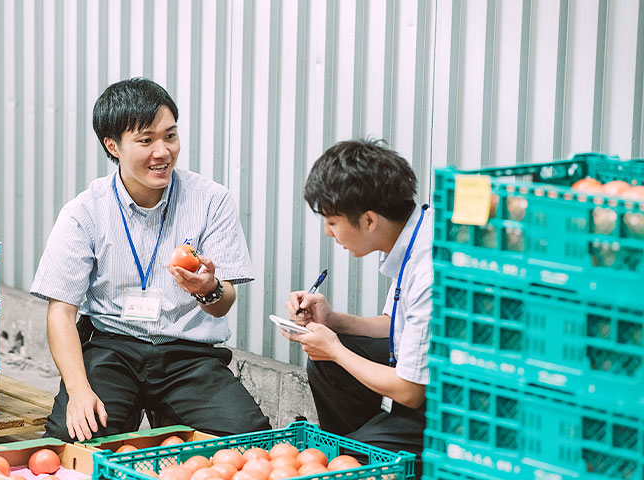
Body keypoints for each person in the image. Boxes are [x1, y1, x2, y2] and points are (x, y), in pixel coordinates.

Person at [30, 77, 270, 442]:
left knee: (250, 440)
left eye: (170, 136)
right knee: (74, 437)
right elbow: (61, 313)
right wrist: (78, 391)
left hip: (187, 355)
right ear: (113, 145)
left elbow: (223, 305)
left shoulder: (211, 201)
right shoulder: (84, 212)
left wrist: (209, 290)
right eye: (146, 140)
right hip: (112, 347)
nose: (163, 152)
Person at [283, 139, 432, 479]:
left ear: (368, 221)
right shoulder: (413, 235)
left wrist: (334, 349)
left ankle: (360, 453)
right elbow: (396, 325)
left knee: (332, 356)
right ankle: (360, 444)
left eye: (333, 221)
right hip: (423, 385)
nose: (328, 232)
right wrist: (333, 321)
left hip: (444, 411)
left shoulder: (428, 269)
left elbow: (411, 391)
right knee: (327, 357)